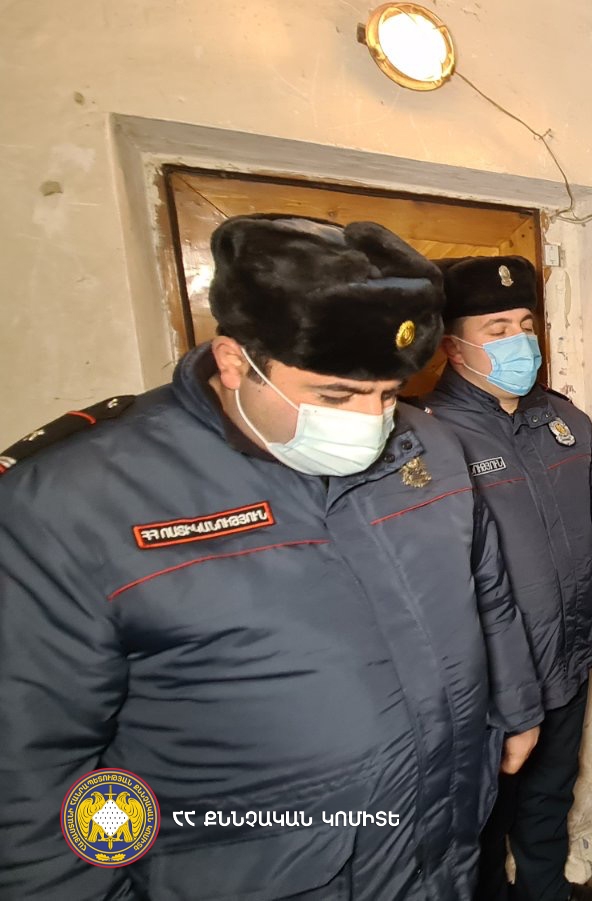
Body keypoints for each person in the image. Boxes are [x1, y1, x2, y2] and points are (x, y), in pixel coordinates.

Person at [0, 215, 543, 899]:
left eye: (386, 393)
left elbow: (485, 586)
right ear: (235, 361)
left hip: (440, 840)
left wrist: (516, 705)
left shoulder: (427, 446)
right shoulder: (76, 503)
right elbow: (30, 775)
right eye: (335, 395)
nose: (369, 421)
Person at [422, 256, 592, 901]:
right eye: (497, 328)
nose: (519, 341)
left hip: (568, 653)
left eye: (526, 324)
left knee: (549, 795)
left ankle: (545, 892)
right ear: (453, 347)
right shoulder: (427, 440)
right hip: (489, 682)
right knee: (483, 819)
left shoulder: (565, 422)